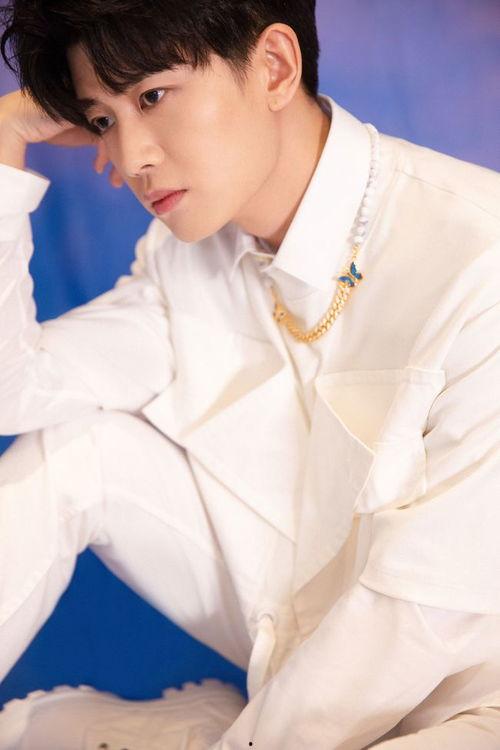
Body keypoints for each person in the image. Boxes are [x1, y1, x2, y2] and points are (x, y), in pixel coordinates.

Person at [0, 0, 499, 748]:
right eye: (102, 119)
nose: (130, 158)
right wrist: (4, 138)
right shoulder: (184, 257)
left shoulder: (478, 252)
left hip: (473, 702)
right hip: (293, 646)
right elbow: (17, 390)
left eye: (152, 96)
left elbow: (419, 612)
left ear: (273, 67)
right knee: (72, 449)